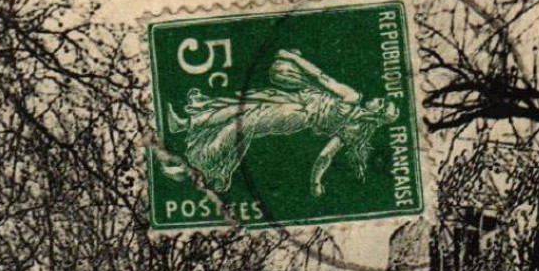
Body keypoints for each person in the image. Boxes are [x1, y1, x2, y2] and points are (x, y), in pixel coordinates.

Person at [160, 49, 399, 197]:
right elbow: (325, 156)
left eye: (381, 103)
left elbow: (320, 78)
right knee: (241, 105)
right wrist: (315, 181)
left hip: (297, 113)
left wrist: (292, 58)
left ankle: (193, 167)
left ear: (377, 114)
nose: (377, 99)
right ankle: (187, 123)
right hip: (296, 99)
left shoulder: (352, 98)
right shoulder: (354, 127)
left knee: (241, 125)